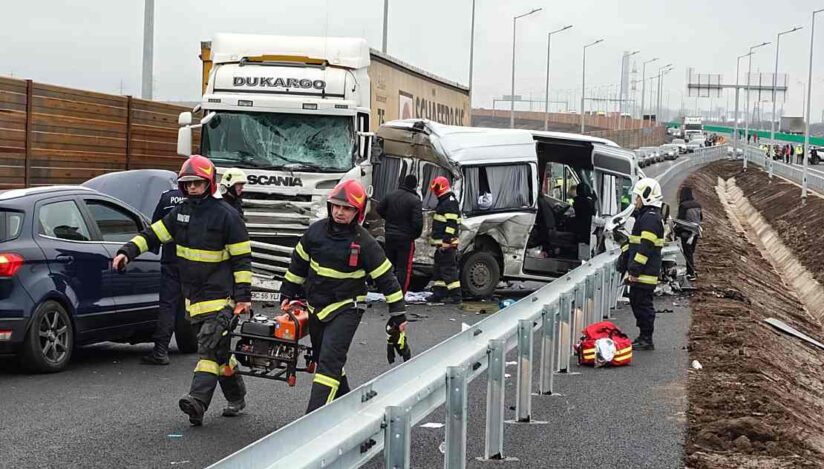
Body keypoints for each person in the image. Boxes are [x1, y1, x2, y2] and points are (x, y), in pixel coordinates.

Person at [112, 155, 252, 426]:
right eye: (187, 184)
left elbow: (241, 259)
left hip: (222, 298)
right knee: (221, 354)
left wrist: (243, 297)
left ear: (209, 183)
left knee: (208, 349)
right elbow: (154, 234)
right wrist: (127, 251)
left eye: (197, 183)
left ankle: (197, 402)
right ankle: (237, 397)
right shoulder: (181, 213)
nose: (191, 188)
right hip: (195, 299)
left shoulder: (228, 216)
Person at [280, 179, 408, 413]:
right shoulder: (314, 232)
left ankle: (310, 426)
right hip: (316, 307)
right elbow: (297, 265)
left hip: (347, 307)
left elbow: (387, 279)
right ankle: (350, 412)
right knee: (327, 360)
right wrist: (287, 293)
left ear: (357, 212)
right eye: (336, 206)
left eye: (347, 208)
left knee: (328, 363)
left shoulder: (365, 243)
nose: (340, 212)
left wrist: (398, 315)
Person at [140, 186, 186, 365]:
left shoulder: (167, 197)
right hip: (197, 260)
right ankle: (210, 351)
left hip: (172, 258)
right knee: (202, 303)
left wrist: (154, 249)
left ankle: (160, 351)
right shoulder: (202, 198)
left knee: (168, 305)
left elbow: (156, 226)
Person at [617, 177, 664, 351]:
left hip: (645, 273)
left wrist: (634, 269)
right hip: (642, 272)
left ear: (646, 196)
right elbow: (637, 244)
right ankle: (643, 336)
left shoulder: (650, 219)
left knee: (643, 304)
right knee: (637, 302)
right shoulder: (646, 217)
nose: (635, 201)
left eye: (637, 197)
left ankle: (647, 338)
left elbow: (645, 248)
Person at [377, 174, 423, 293]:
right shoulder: (415, 201)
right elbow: (418, 224)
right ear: (415, 186)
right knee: (403, 268)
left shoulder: (391, 195)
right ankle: (399, 293)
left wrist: (389, 219)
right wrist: (413, 235)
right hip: (406, 239)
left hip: (390, 236)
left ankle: (387, 291)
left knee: (389, 265)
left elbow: (379, 209)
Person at [429, 176, 462, 304]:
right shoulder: (445, 201)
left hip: (446, 244)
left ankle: (456, 296)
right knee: (439, 270)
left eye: (436, 188)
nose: (435, 192)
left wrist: (446, 242)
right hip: (442, 244)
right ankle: (439, 294)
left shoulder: (449, 202)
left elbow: (451, 224)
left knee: (448, 270)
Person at [676, 186, 702, 281]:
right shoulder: (697, 205)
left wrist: (675, 232)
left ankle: (691, 273)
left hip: (686, 233)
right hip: (695, 232)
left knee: (688, 253)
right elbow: (701, 218)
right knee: (691, 251)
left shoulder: (683, 206)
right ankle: (689, 271)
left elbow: (680, 220)